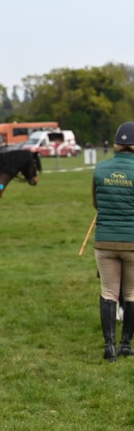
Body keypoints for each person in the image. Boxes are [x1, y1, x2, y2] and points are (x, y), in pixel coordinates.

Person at [92, 121, 134, 362]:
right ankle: (126, 345)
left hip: (105, 241)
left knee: (108, 293)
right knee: (131, 293)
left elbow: (96, 203)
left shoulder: (100, 168)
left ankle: (110, 348)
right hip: (132, 242)